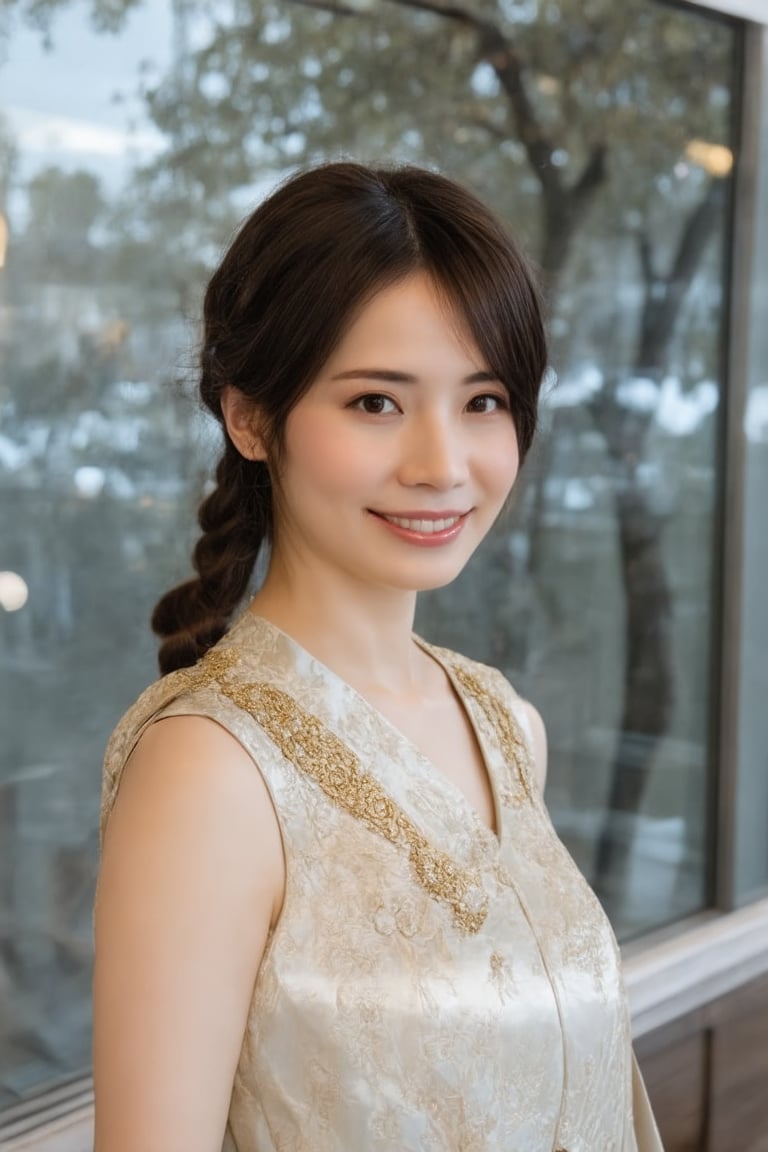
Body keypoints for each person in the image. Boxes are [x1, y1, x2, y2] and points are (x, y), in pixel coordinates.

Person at [93, 161, 663, 1152]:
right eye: (376, 403)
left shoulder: (503, 723)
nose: (442, 463)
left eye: (484, 400)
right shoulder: (209, 773)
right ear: (250, 416)